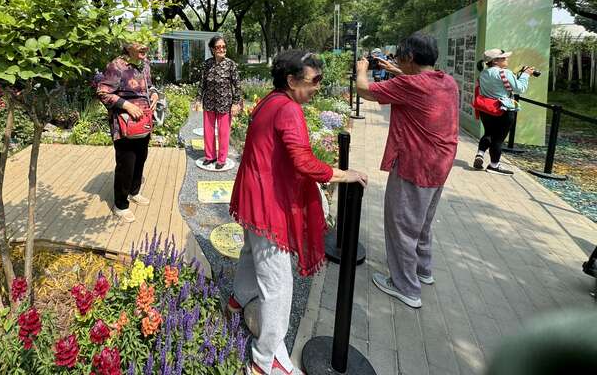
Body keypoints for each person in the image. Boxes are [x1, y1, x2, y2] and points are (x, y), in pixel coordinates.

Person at [229, 50, 368, 375]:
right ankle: (265, 360)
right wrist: (343, 174)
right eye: (314, 80)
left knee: (251, 254)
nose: (319, 86)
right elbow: (303, 162)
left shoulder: (270, 100)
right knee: (277, 286)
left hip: (253, 194)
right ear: (291, 81)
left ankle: (237, 300)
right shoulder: (289, 109)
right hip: (268, 204)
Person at [355, 33, 459, 309]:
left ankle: (405, 287)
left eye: (400, 57)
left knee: (401, 224)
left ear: (410, 57)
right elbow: (418, 82)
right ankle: (423, 271)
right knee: (423, 221)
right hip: (440, 164)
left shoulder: (408, 85)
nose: (397, 61)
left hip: (415, 164)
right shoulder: (446, 81)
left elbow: (364, 90)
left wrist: (362, 70)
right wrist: (398, 71)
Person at [96, 41, 159, 223]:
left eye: (146, 43)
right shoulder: (116, 66)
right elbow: (103, 92)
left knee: (141, 157)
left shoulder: (145, 64)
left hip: (144, 121)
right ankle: (120, 205)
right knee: (126, 164)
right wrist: (127, 105)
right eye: (139, 44)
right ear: (128, 46)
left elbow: (150, 85)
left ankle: (134, 191)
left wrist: (154, 94)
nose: (144, 48)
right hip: (125, 125)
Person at [474, 49, 535, 174]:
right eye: (504, 58)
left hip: (486, 109)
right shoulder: (505, 73)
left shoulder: (483, 73)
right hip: (503, 109)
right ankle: (494, 165)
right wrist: (526, 75)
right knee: (498, 139)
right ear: (495, 61)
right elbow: (520, 88)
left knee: (489, 133)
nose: (507, 59)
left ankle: (480, 153)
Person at [198, 35, 242, 169]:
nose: (222, 49)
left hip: (225, 103)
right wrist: (198, 100)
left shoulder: (231, 65)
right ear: (212, 49)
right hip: (209, 103)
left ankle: (222, 159)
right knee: (208, 131)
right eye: (218, 47)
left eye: (224, 47)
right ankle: (210, 156)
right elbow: (202, 84)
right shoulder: (207, 64)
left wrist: (235, 103)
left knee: (223, 133)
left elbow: (237, 85)